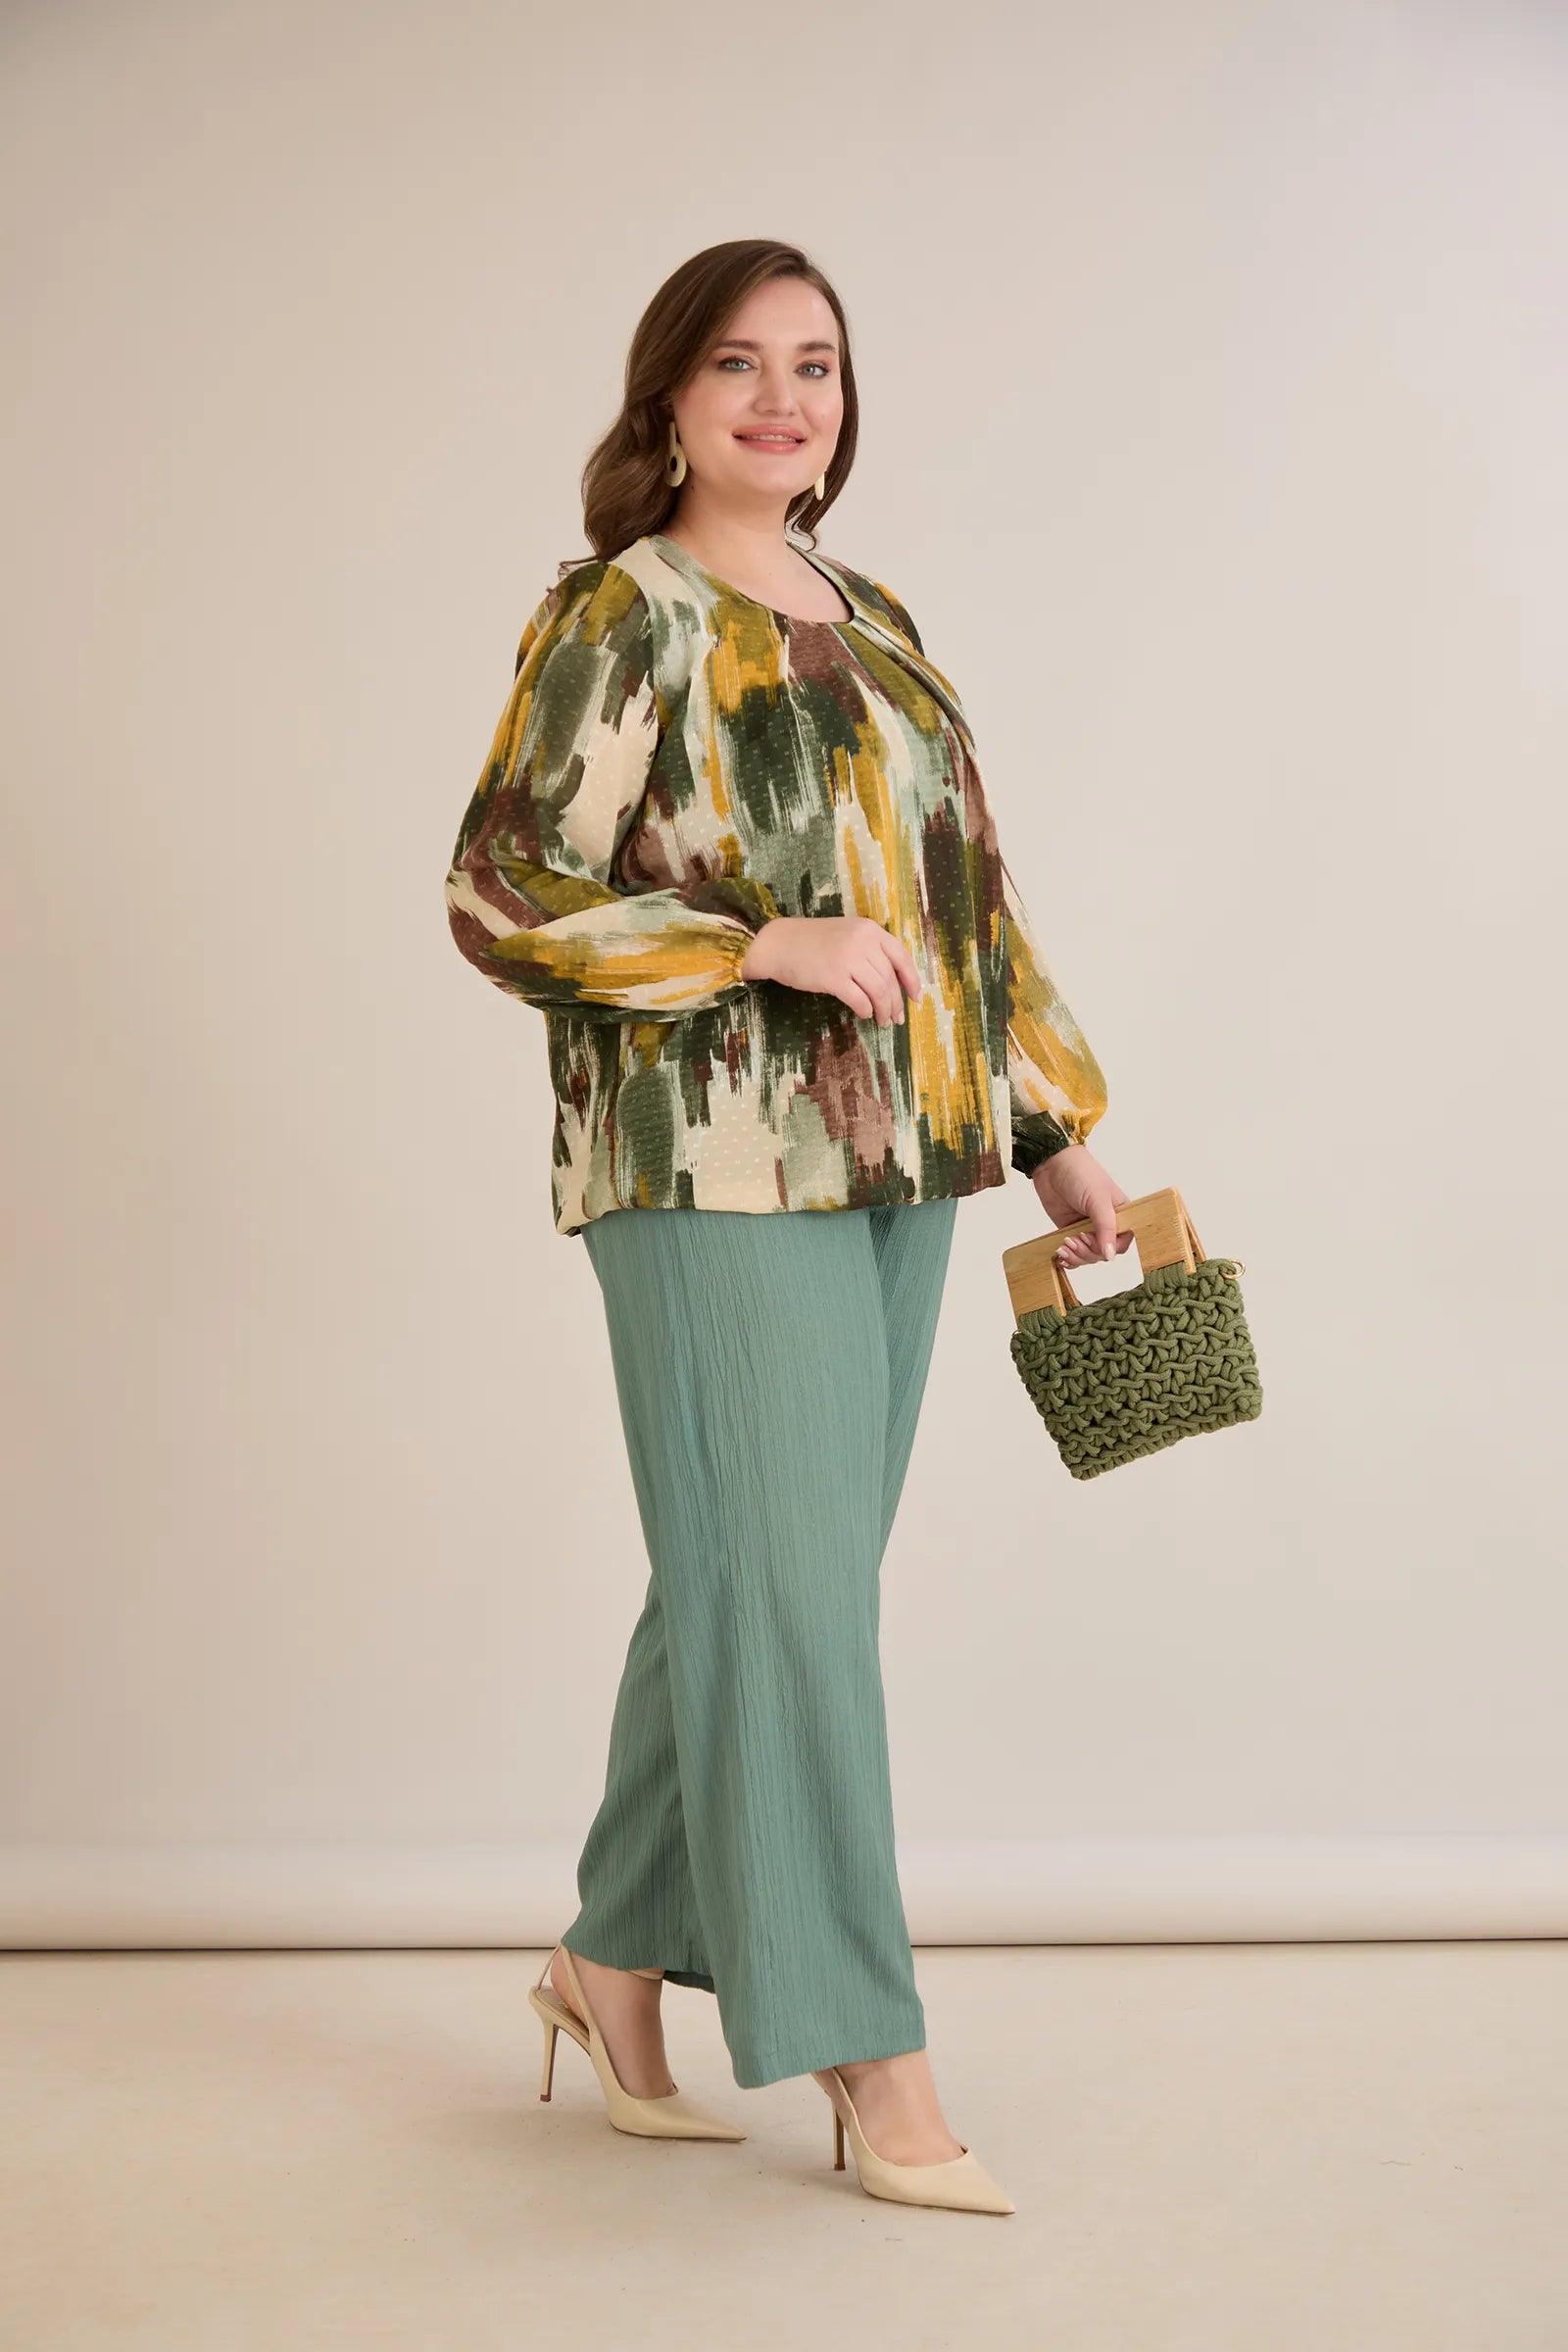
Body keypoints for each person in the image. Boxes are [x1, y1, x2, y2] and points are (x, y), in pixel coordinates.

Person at [443, 238, 1131, 2215]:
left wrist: (1051, 1128)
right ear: (667, 397)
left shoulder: (870, 612)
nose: (781, 397)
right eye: (737, 363)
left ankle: (607, 1961)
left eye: (814, 363)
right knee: (790, 1595)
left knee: (759, 1581)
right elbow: (501, 888)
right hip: (707, 1161)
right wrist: (754, 942)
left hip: (901, 1158)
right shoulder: (621, 612)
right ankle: (862, 2043)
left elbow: (961, 898)